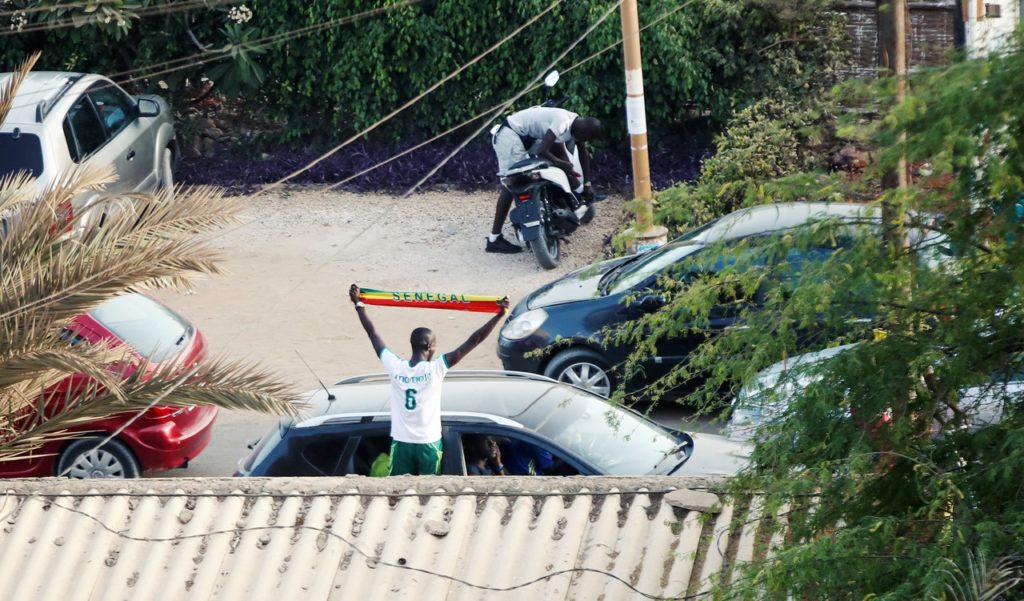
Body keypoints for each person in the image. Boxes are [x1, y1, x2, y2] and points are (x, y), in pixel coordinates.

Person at [349, 284, 510, 475]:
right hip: (428, 442)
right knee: (428, 491)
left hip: (402, 442)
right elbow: (473, 341)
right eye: (434, 346)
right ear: (429, 346)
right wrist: (499, 316)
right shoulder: (436, 368)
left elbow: (372, 334)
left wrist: (359, 305)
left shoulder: (395, 366)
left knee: (399, 489)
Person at [486, 106, 603, 253]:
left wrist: (586, 184)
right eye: (584, 138)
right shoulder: (562, 122)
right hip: (510, 136)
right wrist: (562, 165)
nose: (582, 141)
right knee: (512, 185)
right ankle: (494, 239)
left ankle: (576, 194)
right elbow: (543, 150)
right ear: (583, 131)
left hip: (527, 137)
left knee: (558, 152)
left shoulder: (576, 123)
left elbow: (583, 153)